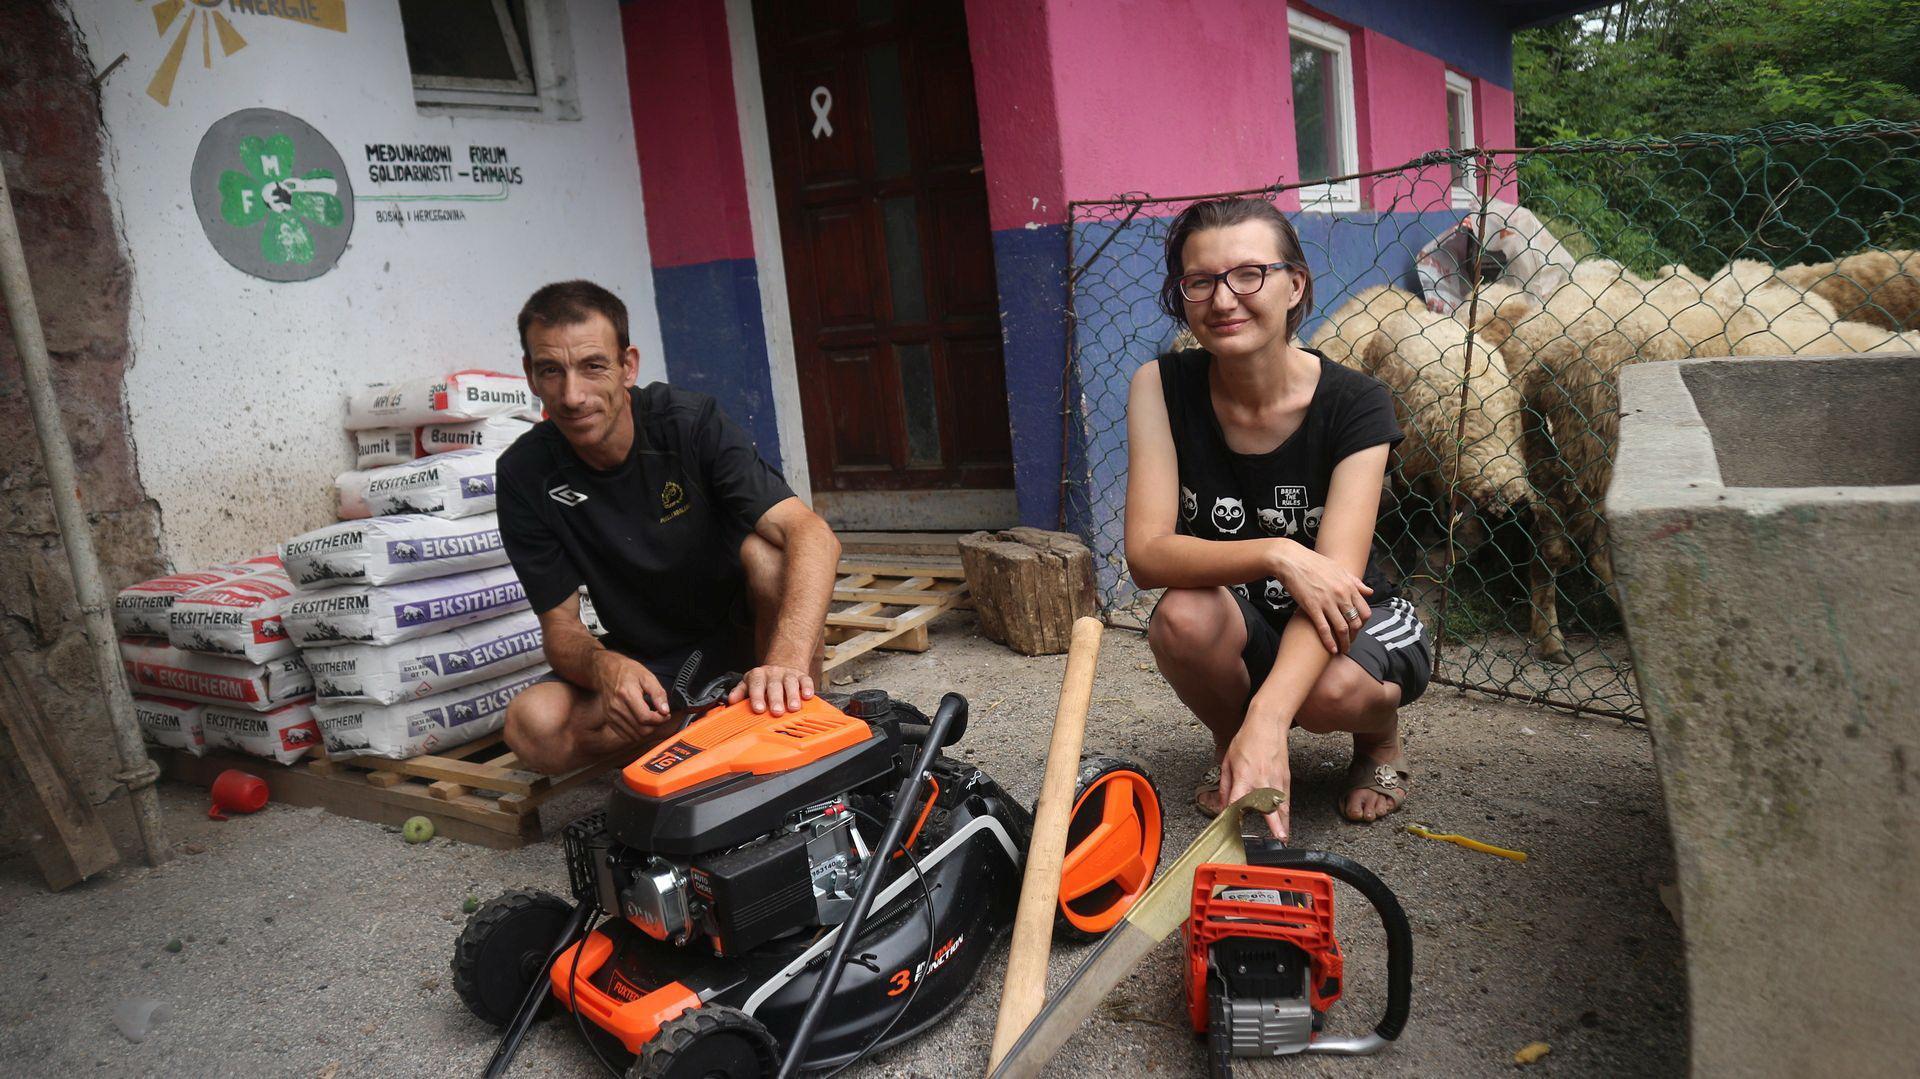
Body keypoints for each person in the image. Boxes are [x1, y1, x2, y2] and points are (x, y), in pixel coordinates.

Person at [1124, 198, 1433, 840]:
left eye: (1249, 274)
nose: (1223, 299)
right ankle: (1232, 743)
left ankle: (1377, 745)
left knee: (1329, 700)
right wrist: (1278, 553)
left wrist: (1270, 718)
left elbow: (1335, 583)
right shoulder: (1161, 384)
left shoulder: (1356, 403)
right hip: (1247, 609)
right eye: (1199, 282)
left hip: (1355, 613)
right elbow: (1148, 555)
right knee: (1183, 616)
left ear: (1295, 284)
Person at [497, 280, 842, 774]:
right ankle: (716, 725)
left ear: (627, 365)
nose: (572, 396)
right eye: (552, 370)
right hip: (650, 657)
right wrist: (605, 666)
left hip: (746, 640)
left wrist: (785, 658)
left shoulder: (688, 423)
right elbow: (561, 629)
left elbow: (813, 535)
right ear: (531, 375)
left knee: (769, 559)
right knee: (532, 727)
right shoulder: (524, 473)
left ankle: (787, 712)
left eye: (593, 366)